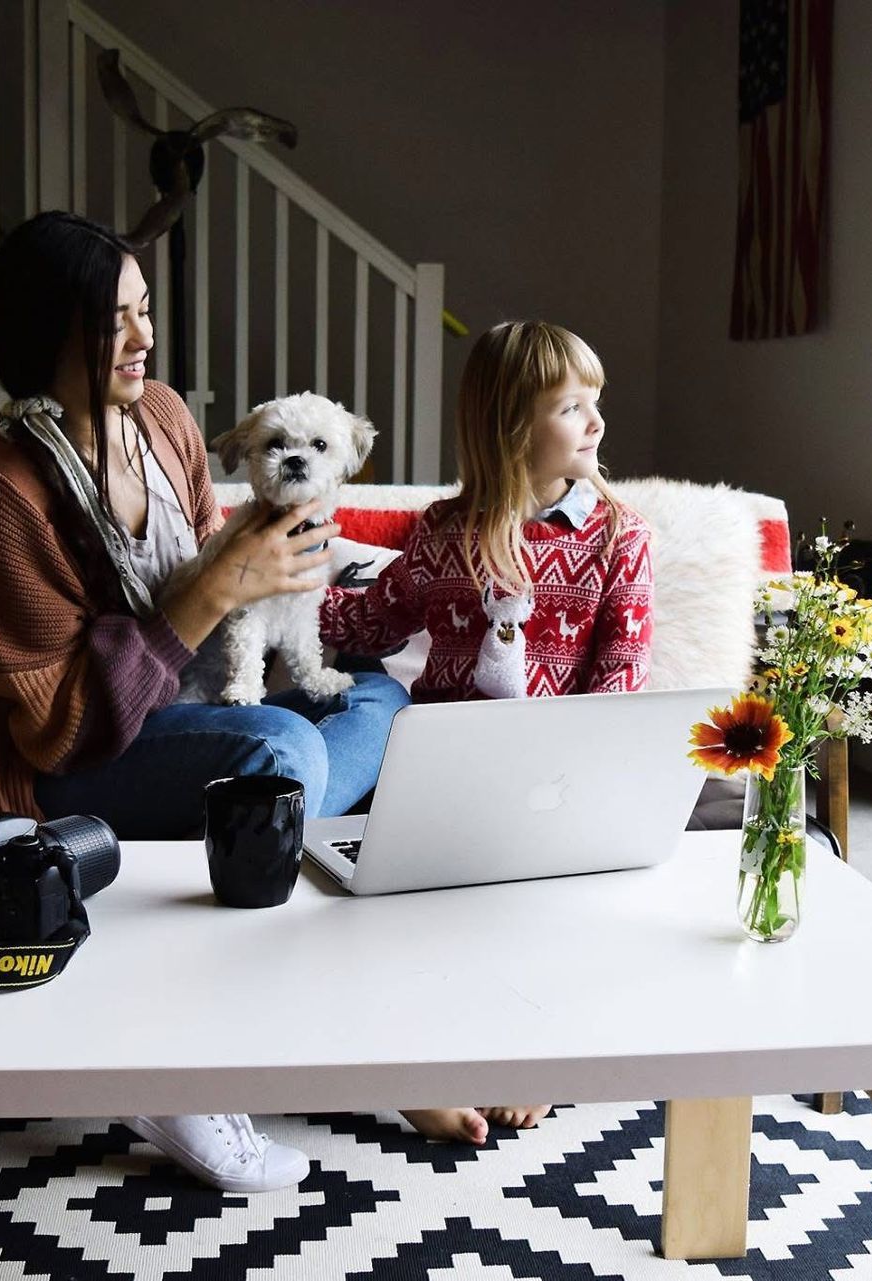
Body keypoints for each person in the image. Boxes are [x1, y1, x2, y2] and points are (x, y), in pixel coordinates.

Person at [0, 211, 408, 1192]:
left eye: (146, 312)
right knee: (277, 751)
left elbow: (230, 586)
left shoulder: (164, 422)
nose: (146, 339)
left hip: (190, 713)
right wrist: (215, 594)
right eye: (118, 321)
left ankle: (294, 851)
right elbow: (63, 720)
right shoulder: (5, 488)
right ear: (49, 336)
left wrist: (303, 583)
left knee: (377, 701)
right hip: (69, 759)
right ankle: (176, 1056)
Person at [320, 320, 655, 1144]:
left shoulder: (619, 534)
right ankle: (413, 1067)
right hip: (447, 768)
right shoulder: (444, 534)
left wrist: (583, 776)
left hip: (556, 774)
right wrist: (280, 594)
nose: (596, 422)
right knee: (396, 906)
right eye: (572, 407)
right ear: (511, 428)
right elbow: (371, 621)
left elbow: (623, 677)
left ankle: (532, 1050)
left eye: (594, 402)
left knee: (549, 903)